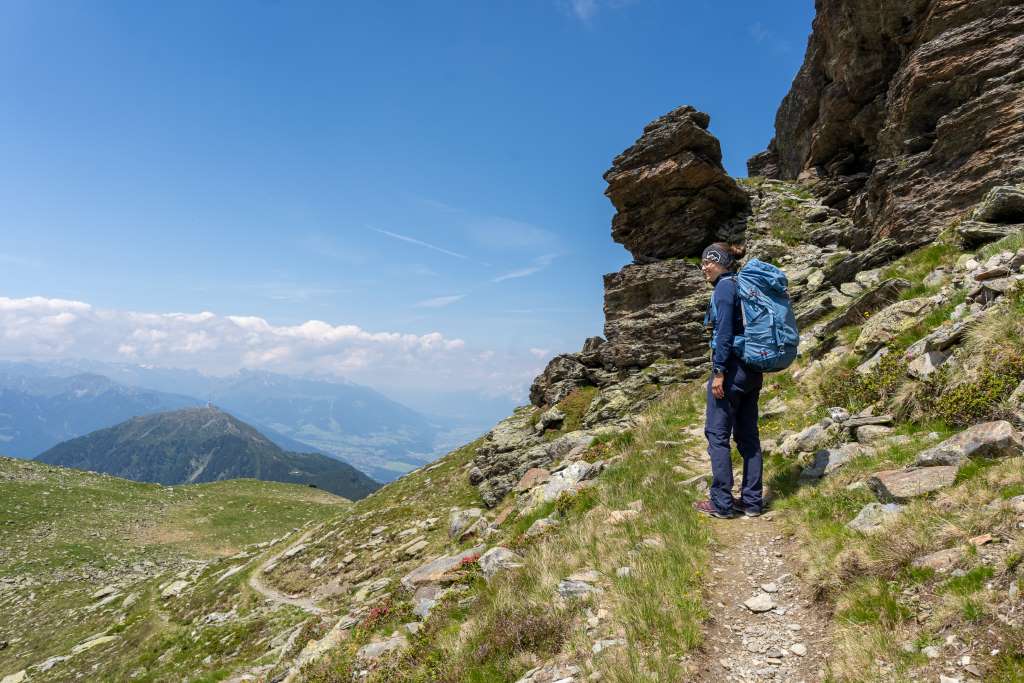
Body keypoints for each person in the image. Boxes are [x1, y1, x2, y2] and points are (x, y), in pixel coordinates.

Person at [693, 242, 765, 519]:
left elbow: (723, 332)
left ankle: (721, 504)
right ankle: (752, 502)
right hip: (752, 370)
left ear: (720, 261)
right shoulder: (741, 286)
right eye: (702, 264)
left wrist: (719, 371)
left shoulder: (724, 287)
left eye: (707, 262)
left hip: (731, 371)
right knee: (748, 437)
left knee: (717, 435)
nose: (704, 268)